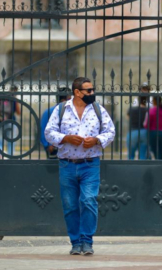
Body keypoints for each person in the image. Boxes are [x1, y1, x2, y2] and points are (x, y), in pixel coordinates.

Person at [45, 77, 115, 255]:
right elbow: (48, 132)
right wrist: (65, 138)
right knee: (70, 205)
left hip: (90, 164)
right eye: (88, 90)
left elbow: (110, 131)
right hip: (67, 165)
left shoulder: (98, 110)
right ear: (77, 92)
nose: (92, 93)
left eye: (93, 90)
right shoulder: (61, 109)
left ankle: (87, 240)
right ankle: (75, 242)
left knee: (89, 200)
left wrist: (97, 140)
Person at [40, 87, 72, 159]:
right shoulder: (49, 111)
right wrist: (47, 145)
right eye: (70, 99)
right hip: (53, 147)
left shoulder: (72, 112)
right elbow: (43, 129)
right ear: (63, 100)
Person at [144, 94, 162, 160]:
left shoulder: (151, 110)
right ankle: (161, 163)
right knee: (161, 151)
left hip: (153, 133)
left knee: (155, 150)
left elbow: (147, 124)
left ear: (153, 101)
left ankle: (157, 163)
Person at [126, 84, 149, 160]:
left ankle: (130, 169)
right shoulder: (147, 110)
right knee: (143, 154)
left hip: (133, 130)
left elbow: (128, 117)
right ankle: (143, 170)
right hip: (144, 131)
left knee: (131, 155)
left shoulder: (132, 109)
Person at [0, 85, 21, 158]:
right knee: (11, 140)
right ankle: (10, 156)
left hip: (1, 120)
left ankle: (0, 155)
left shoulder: (3, 97)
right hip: (12, 120)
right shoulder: (14, 98)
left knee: (0, 140)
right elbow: (19, 112)